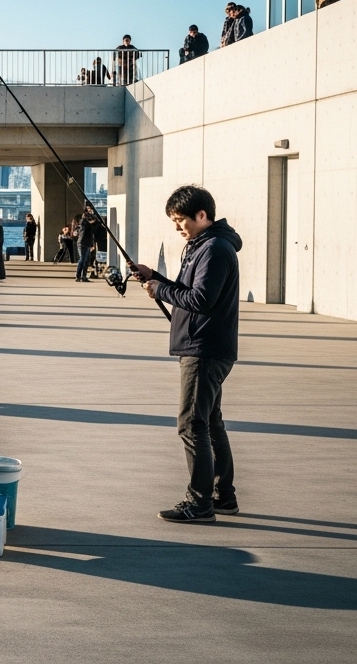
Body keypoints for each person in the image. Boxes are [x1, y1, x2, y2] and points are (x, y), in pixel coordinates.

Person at [130, 185, 243, 523]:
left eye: (181, 220)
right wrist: (156, 278)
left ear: (202, 215)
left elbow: (201, 300)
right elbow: (189, 291)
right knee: (209, 422)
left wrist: (161, 289)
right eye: (174, 222)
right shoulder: (202, 246)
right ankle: (224, 497)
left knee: (191, 424)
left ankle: (199, 502)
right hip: (206, 345)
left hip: (204, 349)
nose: (178, 227)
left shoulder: (214, 249)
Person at [75, 204, 100, 282]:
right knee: (82, 259)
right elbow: (85, 223)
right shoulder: (83, 221)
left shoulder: (92, 223)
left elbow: (96, 224)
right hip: (82, 242)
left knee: (86, 260)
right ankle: (78, 276)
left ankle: (84, 276)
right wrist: (90, 218)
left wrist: (94, 217)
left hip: (88, 242)